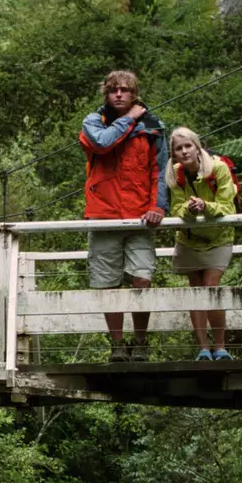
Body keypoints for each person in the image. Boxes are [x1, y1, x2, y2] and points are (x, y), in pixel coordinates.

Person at [78, 70, 167, 360]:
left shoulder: (153, 128)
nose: (119, 94)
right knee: (107, 283)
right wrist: (129, 119)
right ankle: (117, 345)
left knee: (142, 278)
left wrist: (159, 207)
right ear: (106, 94)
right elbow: (103, 143)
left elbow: (161, 171)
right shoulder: (93, 122)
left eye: (125, 90)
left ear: (134, 94)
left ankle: (140, 342)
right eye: (113, 90)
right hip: (103, 216)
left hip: (141, 217)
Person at [163, 126, 238, 360]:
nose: (184, 152)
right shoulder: (175, 173)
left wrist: (205, 207)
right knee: (196, 291)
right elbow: (175, 208)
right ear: (173, 154)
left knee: (211, 287)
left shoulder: (218, 168)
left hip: (218, 237)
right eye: (179, 148)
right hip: (189, 238)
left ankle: (221, 346)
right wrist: (189, 208)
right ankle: (203, 349)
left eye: (188, 146)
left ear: (198, 147)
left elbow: (227, 206)